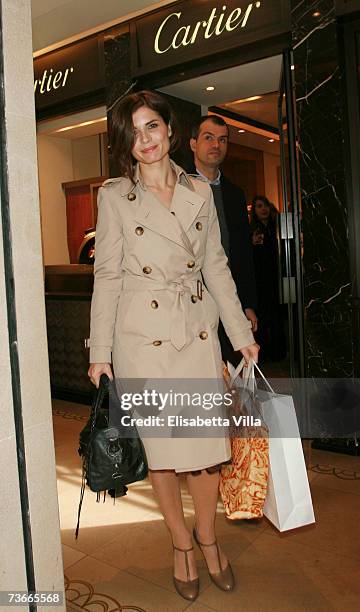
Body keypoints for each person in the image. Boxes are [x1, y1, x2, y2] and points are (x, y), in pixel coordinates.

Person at [88, 91, 259, 602]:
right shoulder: (115, 196)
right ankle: (182, 544)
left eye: (152, 128)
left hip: (196, 333)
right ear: (126, 144)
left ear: (169, 131)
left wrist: (241, 336)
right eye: (133, 134)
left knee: (205, 455)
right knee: (162, 454)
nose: (144, 141)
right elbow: (108, 274)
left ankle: (208, 536)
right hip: (143, 338)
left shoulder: (197, 191)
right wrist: (101, 351)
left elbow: (217, 267)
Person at [189, 115, 258, 366]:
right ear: (193, 143)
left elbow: (243, 254)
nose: (216, 145)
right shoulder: (177, 189)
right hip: (192, 302)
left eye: (222, 140)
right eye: (208, 138)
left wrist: (247, 304)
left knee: (231, 380)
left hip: (230, 300)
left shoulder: (235, 194)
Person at [250, 195, 286, 361]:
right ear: (254, 211)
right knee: (264, 318)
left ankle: (281, 352)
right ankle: (265, 354)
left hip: (278, 279)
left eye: (265, 206)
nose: (263, 209)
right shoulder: (251, 231)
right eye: (259, 206)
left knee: (279, 316)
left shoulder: (278, 228)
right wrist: (252, 244)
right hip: (260, 282)